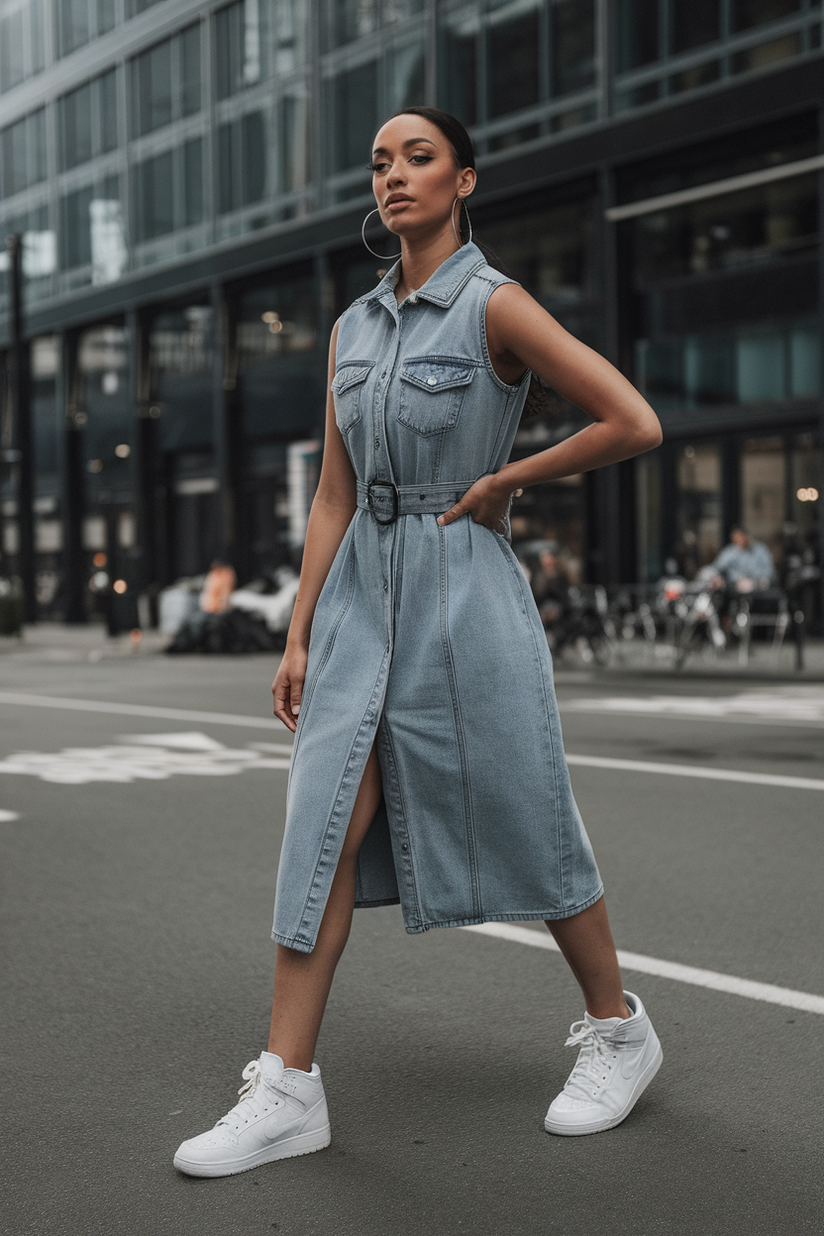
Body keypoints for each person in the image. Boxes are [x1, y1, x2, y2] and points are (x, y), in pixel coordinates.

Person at [173, 107, 664, 1179]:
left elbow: (631, 420)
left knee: (524, 810)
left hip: (462, 588)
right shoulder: (352, 330)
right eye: (380, 161)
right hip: (357, 599)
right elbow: (333, 496)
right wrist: (298, 631)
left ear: (464, 180)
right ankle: (288, 1087)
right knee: (321, 826)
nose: (393, 175)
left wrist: (507, 480)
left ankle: (617, 1029)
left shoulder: (495, 304)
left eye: (418, 157)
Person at [708, 526, 775, 593]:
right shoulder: (729, 552)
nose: (739, 539)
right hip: (734, 586)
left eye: (740, 536)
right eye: (736, 538)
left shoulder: (760, 550)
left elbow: (769, 572)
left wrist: (752, 581)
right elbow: (717, 567)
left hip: (757, 586)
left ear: (746, 536)